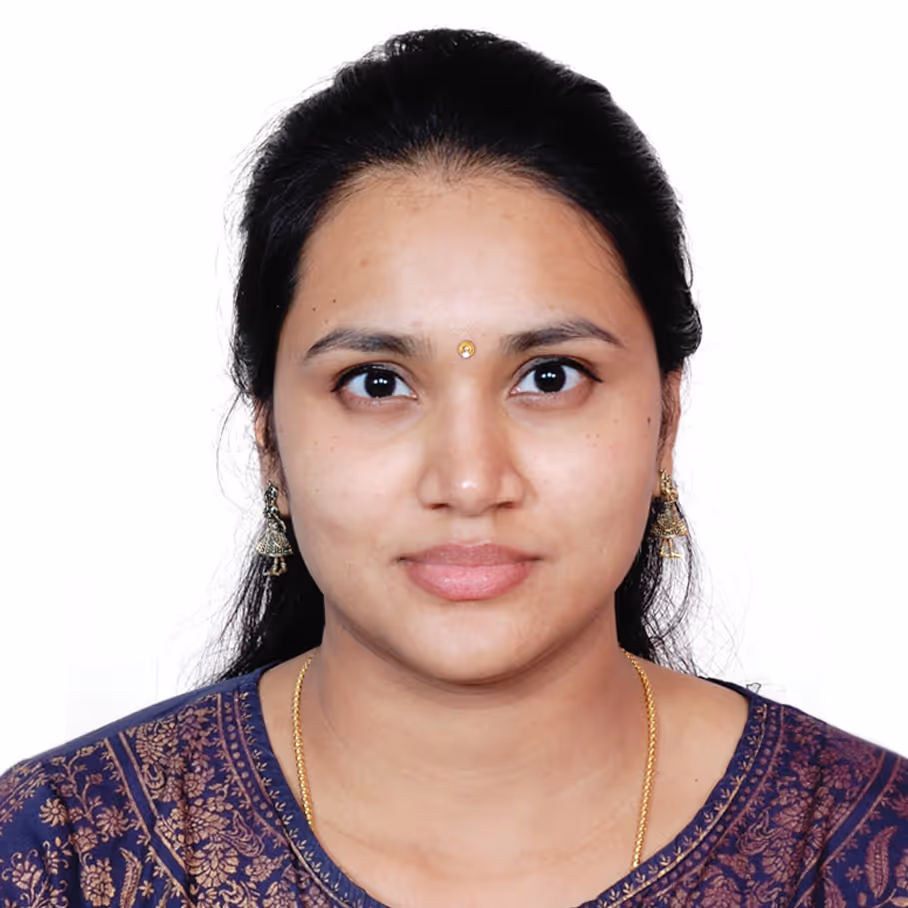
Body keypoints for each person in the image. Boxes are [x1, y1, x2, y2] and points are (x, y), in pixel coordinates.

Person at [1, 27, 905, 908]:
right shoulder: (63, 853)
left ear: (665, 418)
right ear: (268, 437)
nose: (470, 482)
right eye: (378, 382)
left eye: (550, 377)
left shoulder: (864, 852)